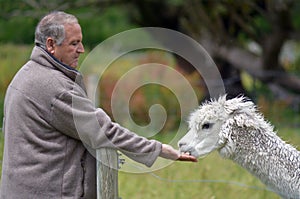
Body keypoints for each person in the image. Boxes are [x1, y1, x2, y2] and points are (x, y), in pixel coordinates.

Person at [0, 11, 196, 199]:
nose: (81, 49)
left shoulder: (25, 75)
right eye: (74, 43)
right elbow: (102, 130)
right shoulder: (55, 88)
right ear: (51, 45)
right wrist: (159, 149)